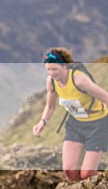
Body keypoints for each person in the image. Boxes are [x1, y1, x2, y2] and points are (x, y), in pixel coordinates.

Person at [32, 48, 108, 181]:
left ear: (65, 66)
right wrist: (42, 123)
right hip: (75, 124)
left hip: (97, 124)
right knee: (69, 171)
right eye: (48, 69)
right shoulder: (51, 82)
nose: (51, 73)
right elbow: (50, 106)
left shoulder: (79, 80)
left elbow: (105, 98)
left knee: (87, 174)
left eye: (54, 69)